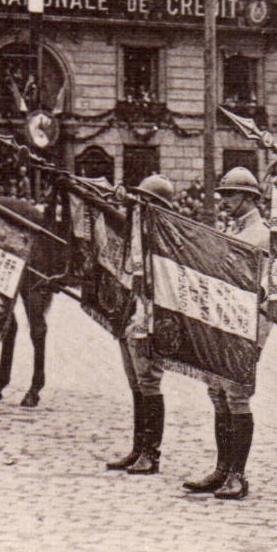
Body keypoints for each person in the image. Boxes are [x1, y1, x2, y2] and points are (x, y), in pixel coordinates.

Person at [183, 167, 270, 501]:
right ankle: (222, 469)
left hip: (246, 327)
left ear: (249, 198)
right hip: (222, 323)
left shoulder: (263, 235)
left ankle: (237, 475)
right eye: (223, 195)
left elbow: (267, 291)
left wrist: (257, 338)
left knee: (236, 396)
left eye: (230, 195)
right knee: (217, 393)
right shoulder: (234, 230)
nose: (224, 201)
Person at [106, 173, 175, 476]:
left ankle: (151, 453)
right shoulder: (138, 232)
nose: (139, 205)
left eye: (146, 201)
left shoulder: (164, 238)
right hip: (132, 315)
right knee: (136, 383)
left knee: (149, 383)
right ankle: (138, 448)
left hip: (151, 319)